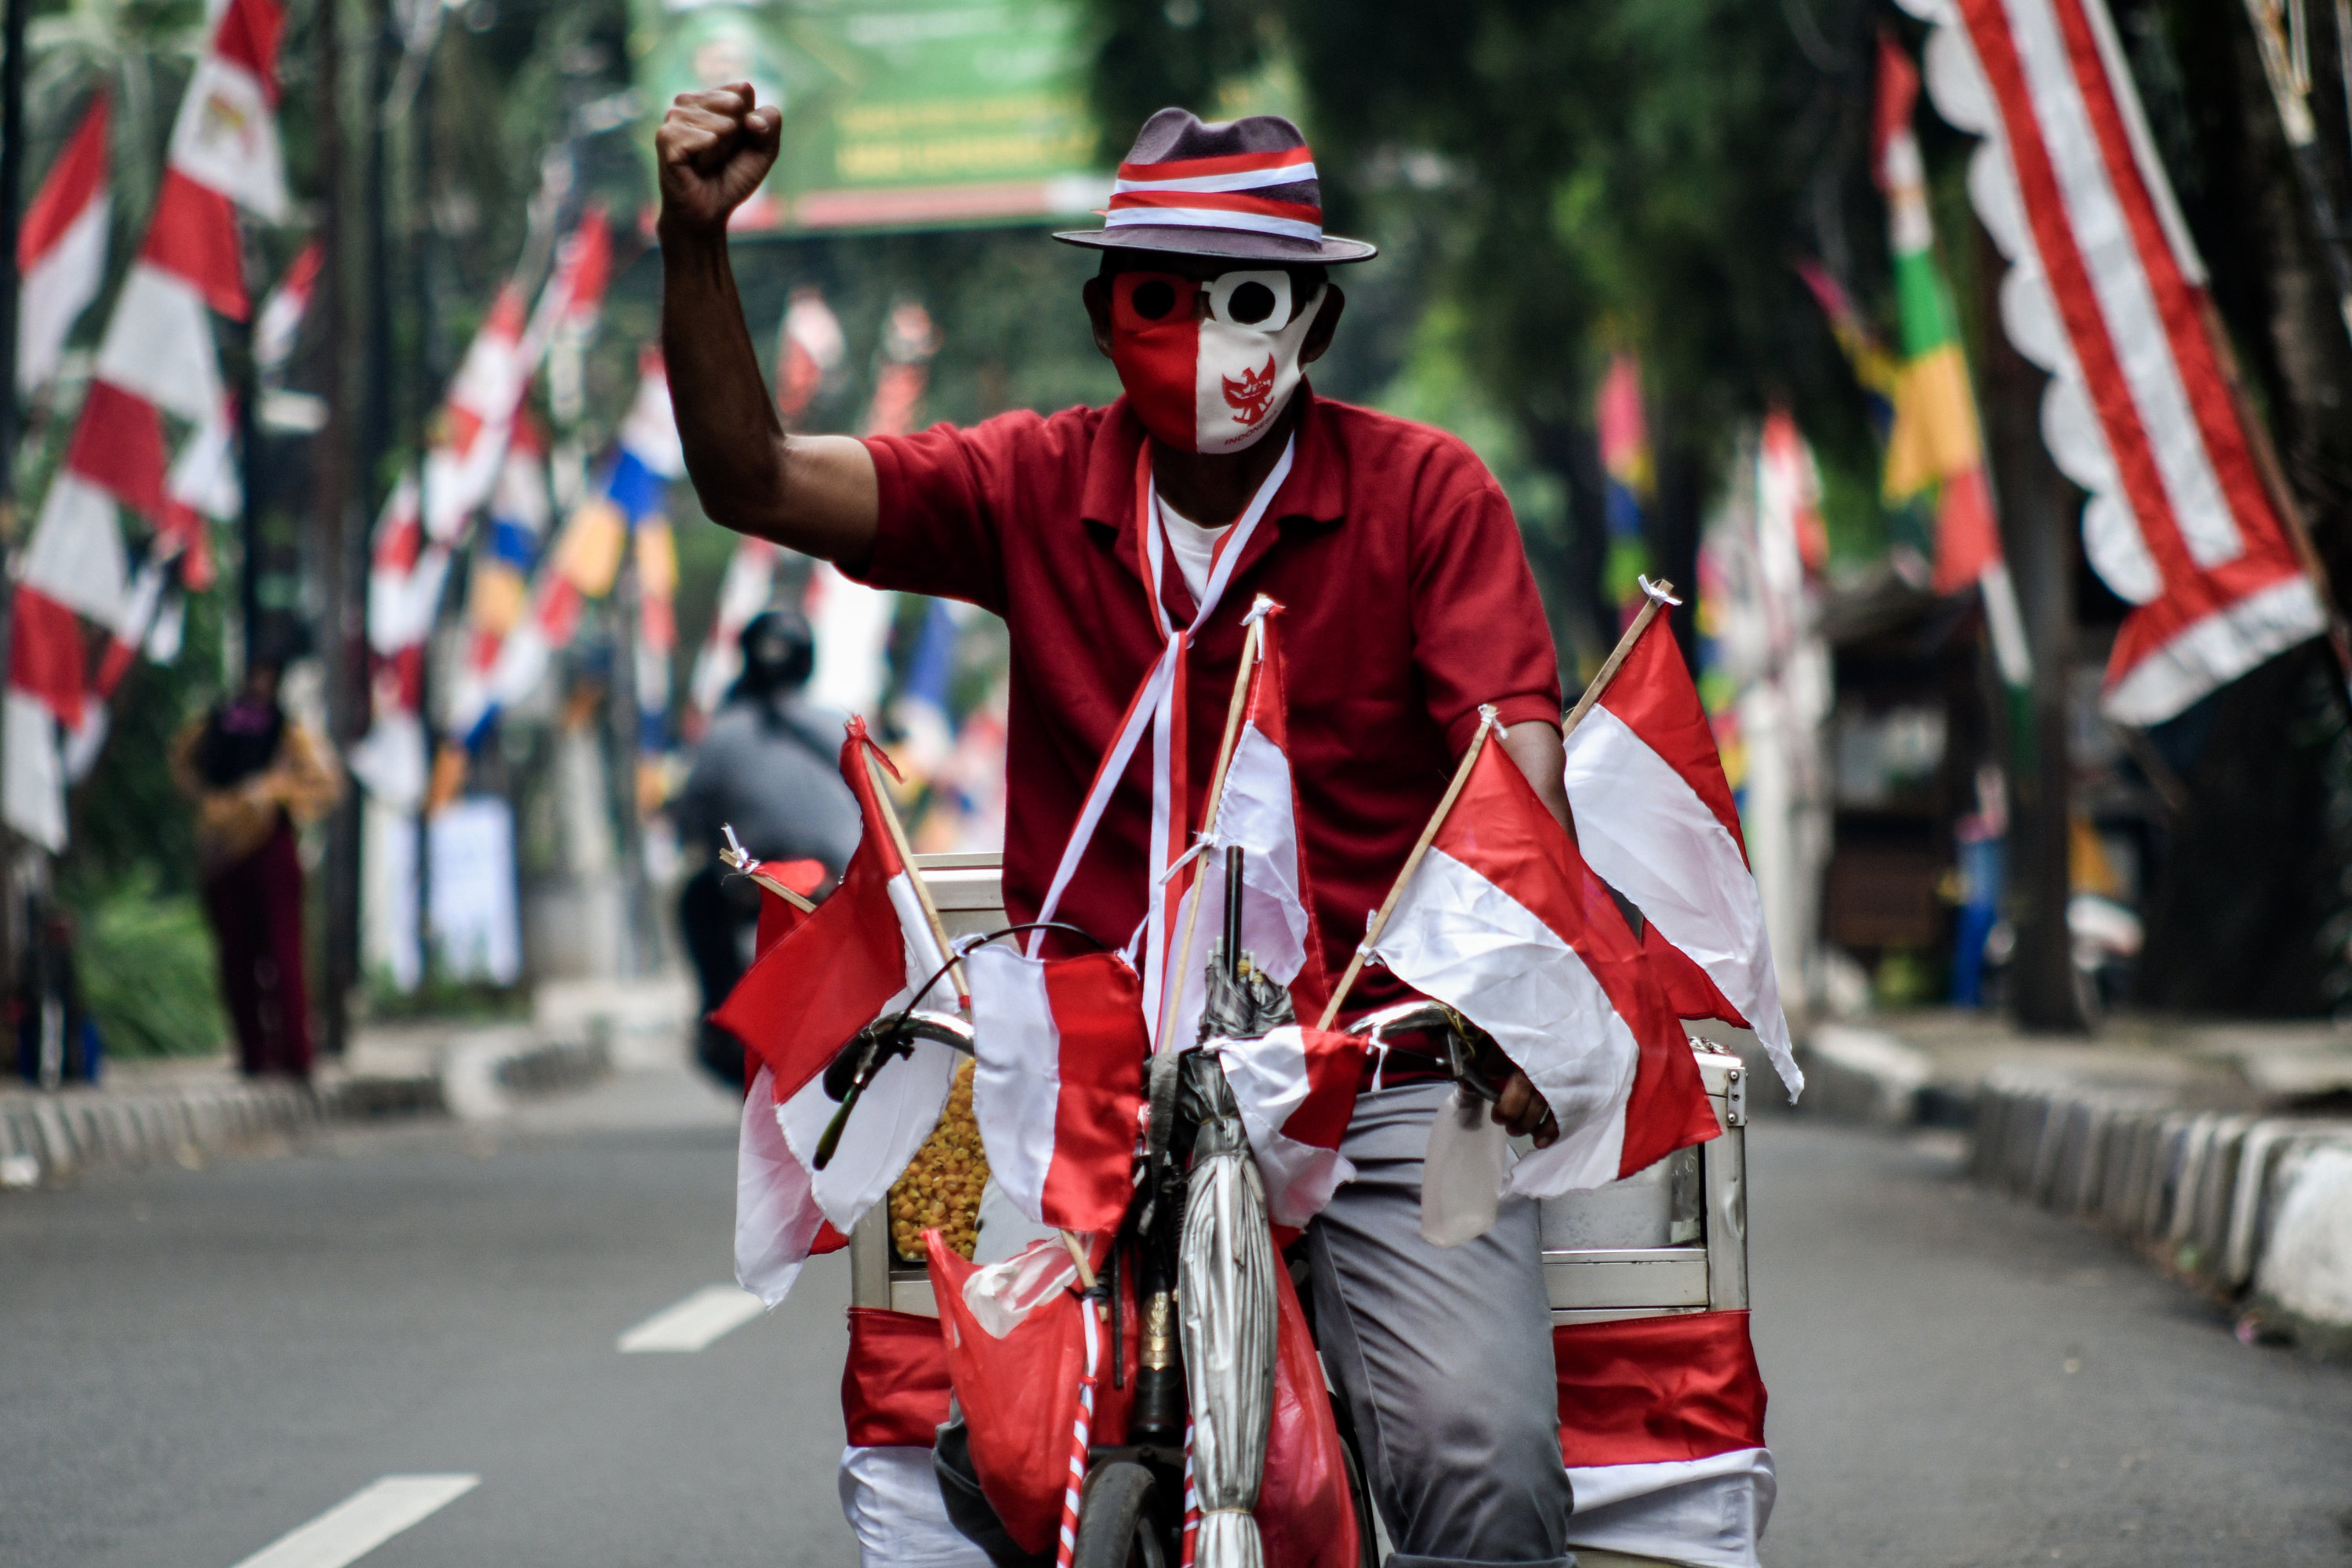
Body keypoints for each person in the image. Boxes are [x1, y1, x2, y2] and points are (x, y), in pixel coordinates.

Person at [660, 93, 1581, 1568]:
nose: (1213, 336)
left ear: (1320, 327)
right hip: (1093, 1070)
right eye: (1163, 295)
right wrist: (694, 238)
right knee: (1008, 1457)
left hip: (1377, 1064)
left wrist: (1527, 995)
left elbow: (1510, 765)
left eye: (1253, 298)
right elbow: (753, 477)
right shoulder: (1029, 485)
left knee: (1485, 1467)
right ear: (1103, 317)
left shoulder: (1429, 498)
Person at [672, 608, 861, 1086]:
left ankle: (718, 1016)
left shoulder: (723, 731)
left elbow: (692, 812)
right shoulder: (838, 724)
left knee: (696, 899)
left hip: (755, 880)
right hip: (837, 879)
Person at [172, 645, 342, 1081]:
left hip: (269, 845)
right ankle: (253, 1054)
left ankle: (296, 1054)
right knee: (236, 958)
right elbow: (182, 766)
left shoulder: (289, 732)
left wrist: (275, 791)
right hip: (225, 853)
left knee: (284, 953)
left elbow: (325, 783)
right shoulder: (213, 724)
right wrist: (212, 805)